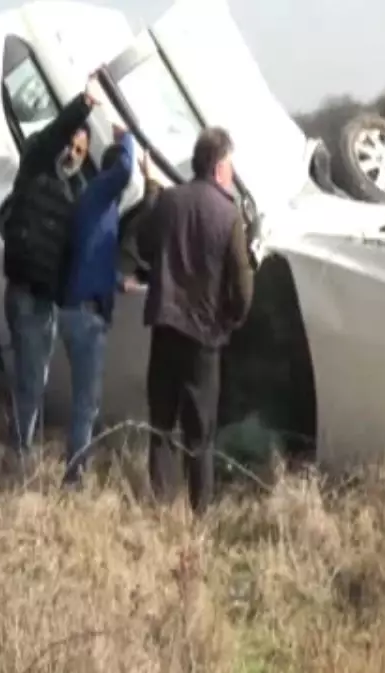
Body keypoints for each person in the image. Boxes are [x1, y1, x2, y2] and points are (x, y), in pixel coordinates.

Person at [139, 127, 255, 515]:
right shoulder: (228, 214)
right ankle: (199, 514)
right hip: (205, 338)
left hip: (165, 329)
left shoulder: (169, 201)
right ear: (220, 166)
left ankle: (159, 507)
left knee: (161, 426)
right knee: (200, 434)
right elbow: (242, 284)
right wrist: (231, 321)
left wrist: (151, 190)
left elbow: (143, 244)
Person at [0, 71, 101, 470]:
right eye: (70, 145)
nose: (73, 154)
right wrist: (85, 104)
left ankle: (22, 449)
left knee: (35, 378)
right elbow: (52, 137)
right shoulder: (37, 165)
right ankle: (21, 458)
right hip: (26, 293)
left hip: (47, 298)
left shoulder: (75, 194)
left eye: (80, 149)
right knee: (30, 381)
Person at [57, 125, 142, 487]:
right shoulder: (98, 195)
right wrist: (128, 137)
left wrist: (118, 281)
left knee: (85, 401)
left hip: (82, 309)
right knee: (86, 403)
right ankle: (75, 478)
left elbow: (92, 258)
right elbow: (124, 169)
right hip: (86, 317)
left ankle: (76, 469)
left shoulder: (99, 207)